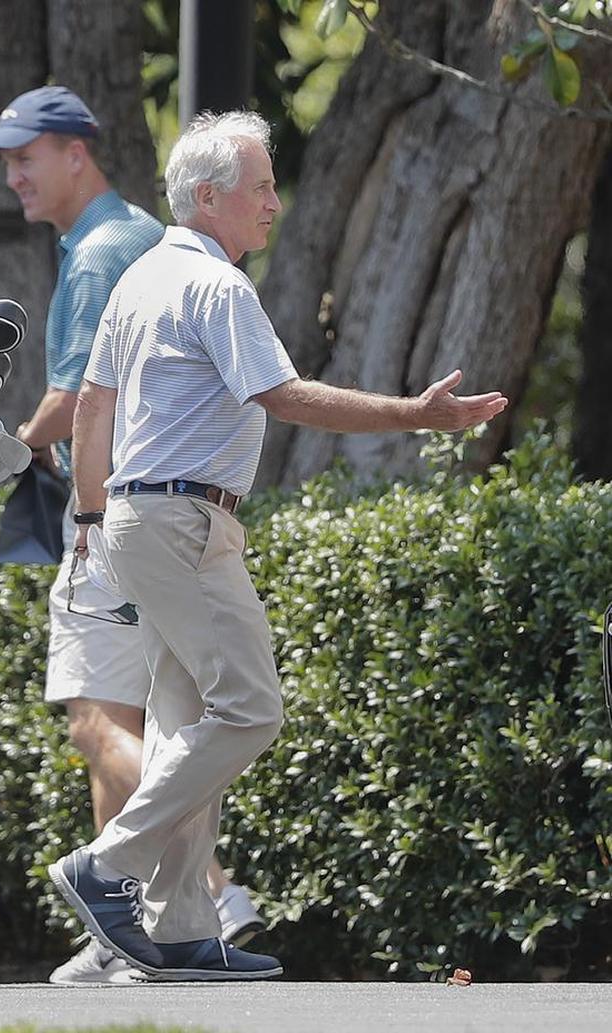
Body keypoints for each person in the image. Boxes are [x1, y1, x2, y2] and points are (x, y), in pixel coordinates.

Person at [54, 110, 509, 980]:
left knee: (190, 719)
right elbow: (284, 394)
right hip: (186, 521)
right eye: (261, 186)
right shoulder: (218, 287)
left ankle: (182, 927)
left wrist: (87, 521)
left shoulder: (140, 279)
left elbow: (91, 409)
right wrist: (416, 414)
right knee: (252, 710)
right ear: (211, 195)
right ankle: (106, 864)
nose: (273, 202)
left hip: (136, 520)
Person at [0, 87, 264, 984]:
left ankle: (186, 885)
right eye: (8, 157)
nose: (14, 173)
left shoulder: (103, 253)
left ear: (78, 154)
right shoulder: (129, 239)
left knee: (98, 716)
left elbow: (76, 401)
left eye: (29, 153)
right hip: (147, 511)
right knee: (145, 712)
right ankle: (137, 927)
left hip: (121, 512)